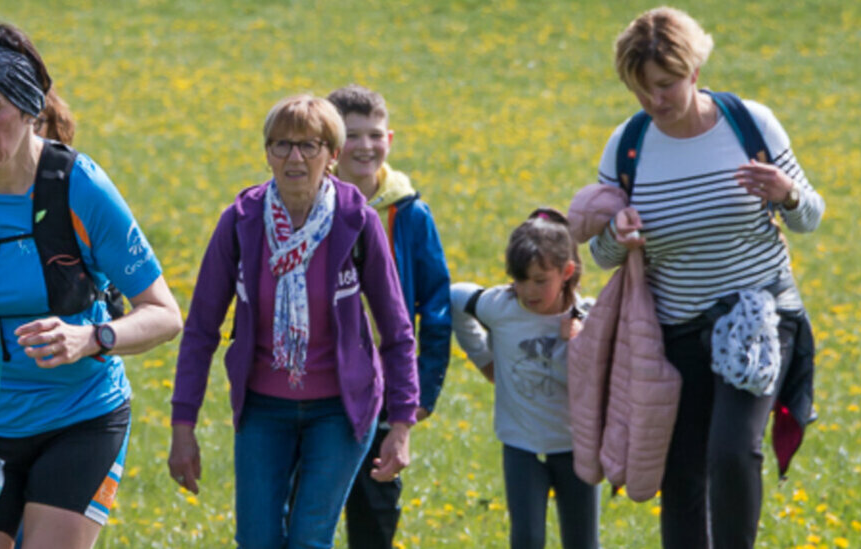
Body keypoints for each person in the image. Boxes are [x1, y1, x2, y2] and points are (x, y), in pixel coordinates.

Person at [0, 23, 184, 549]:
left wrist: (91, 339)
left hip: (79, 417)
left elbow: (164, 313)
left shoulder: (81, 187)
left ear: (31, 108)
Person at [592, 7, 825, 548]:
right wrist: (618, 234)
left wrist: (785, 193)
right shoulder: (627, 145)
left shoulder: (750, 124)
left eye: (667, 85)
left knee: (732, 450)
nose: (655, 101)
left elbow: (809, 216)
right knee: (682, 473)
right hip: (675, 330)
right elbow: (602, 252)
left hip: (761, 316)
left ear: (694, 71)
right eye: (642, 89)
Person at [168, 94, 420, 549]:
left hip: (339, 411)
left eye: (310, 145)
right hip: (264, 408)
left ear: (332, 155)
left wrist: (400, 424)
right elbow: (201, 329)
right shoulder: (240, 223)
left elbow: (397, 330)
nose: (295, 157)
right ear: (267, 153)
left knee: (308, 538)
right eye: (281, 145)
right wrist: (182, 425)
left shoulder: (356, 221)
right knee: (258, 541)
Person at [324, 84, 453, 549]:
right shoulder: (311, 206)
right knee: (303, 516)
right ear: (330, 145)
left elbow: (436, 309)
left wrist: (421, 391)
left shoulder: (411, 214)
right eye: (351, 136)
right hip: (319, 384)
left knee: (376, 518)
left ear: (390, 140)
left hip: (382, 388)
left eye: (374, 135)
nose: (364, 146)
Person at [450, 210, 598, 549]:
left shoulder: (588, 317)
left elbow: (610, 373)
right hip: (521, 447)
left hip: (576, 448)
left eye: (539, 280)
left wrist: (581, 340)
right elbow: (454, 298)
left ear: (567, 272)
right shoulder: (500, 306)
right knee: (527, 539)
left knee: (583, 541)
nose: (527, 290)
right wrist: (485, 361)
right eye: (519, 279)